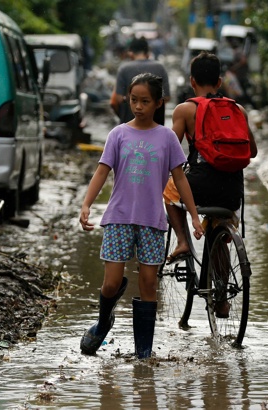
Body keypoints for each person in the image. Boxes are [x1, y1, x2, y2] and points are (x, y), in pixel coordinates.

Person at [80, 73, 204, 359]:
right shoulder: (118, 134)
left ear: (159, 103)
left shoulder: (167, 138)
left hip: (151, 221)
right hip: (118, 218)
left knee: (149, 283)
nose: (138, 106)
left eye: (145, 101)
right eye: (134, 100)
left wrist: (194, 216)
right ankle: (102, 323)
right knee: (111, 283)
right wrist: (86, 205)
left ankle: (143, 356)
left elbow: (180, 180)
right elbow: (102, 171)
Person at [162, 52, 258, 316]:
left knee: (169, 191)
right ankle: (223, 299)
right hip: (231, 190)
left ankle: (182, 241)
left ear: (192, 82)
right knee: (220, 232)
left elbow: (171, 153)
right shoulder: (238, 110)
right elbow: (253, 151)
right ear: (219, 81)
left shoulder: (184, 110)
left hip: (200, 184)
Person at [110, 37, 171, 125]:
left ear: (130, 54)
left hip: (129, 125)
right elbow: (167, 97)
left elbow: (116, 100)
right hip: (155, 126)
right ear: (148, 53)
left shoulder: (124, 69)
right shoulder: (159, 68)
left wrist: (124, 115)